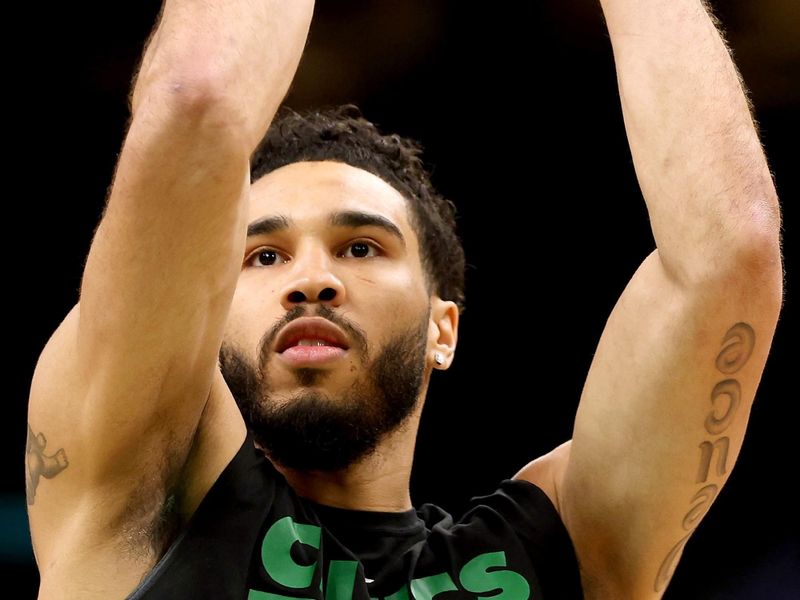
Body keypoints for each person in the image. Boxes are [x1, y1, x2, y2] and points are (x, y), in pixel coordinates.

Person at [25, 1, 784, 598]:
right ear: (208, 317)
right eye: (263, 255)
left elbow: (731, 252)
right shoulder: (132, 490)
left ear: (441, 329)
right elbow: (198, 104)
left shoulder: (565, 550)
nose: (310, 280)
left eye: (361, 247)